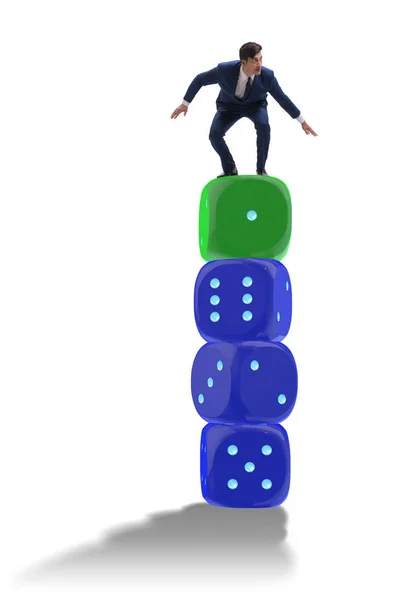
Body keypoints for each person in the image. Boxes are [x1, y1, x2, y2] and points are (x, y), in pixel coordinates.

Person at [171, 42, 317, 177]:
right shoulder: (224, 70)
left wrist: (302, 121)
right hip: (228, 107)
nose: (259, 64)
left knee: (264, 126)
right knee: (214, 135)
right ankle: (230, 169)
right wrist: (185, 103)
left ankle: (261, 169)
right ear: (243, 62)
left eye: (261, 59)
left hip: (256, 106)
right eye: (254, 60)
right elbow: (199, 79)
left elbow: (282, 99)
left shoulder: (268, 76)